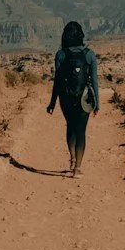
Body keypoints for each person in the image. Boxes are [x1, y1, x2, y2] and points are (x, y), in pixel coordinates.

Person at [48, 19, 100, 175]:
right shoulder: (90, 55)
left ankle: (72, 158)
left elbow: (57, 81)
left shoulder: (60, 54)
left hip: (66, 98)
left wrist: (52, 103)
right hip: (85, 98)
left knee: (70, 126)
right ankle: (78, 167)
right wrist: (97, 103)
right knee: (81, 130)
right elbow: (95, 80)